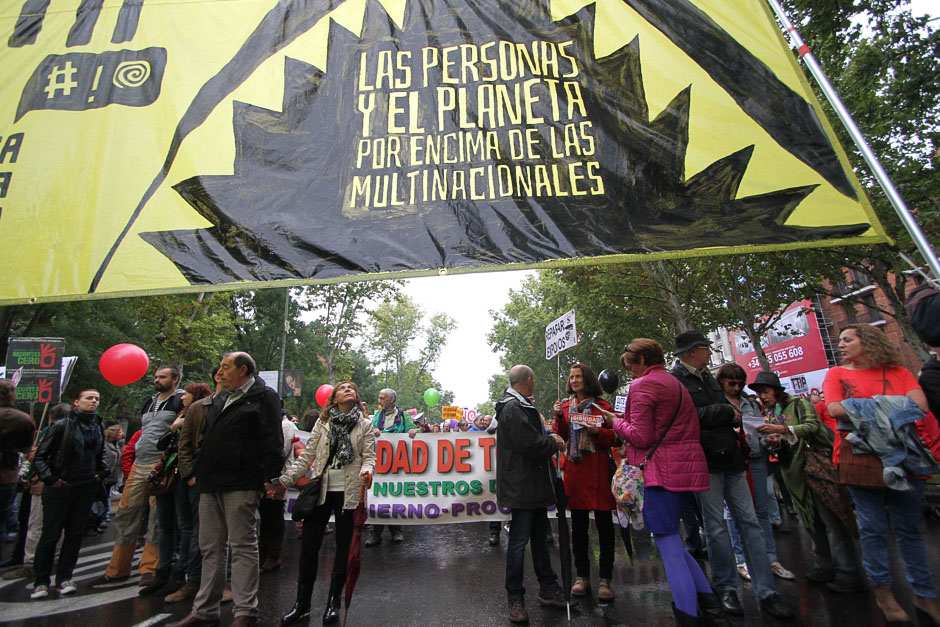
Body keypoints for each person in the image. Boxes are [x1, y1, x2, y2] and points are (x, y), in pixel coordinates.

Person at [669, 330, 792, 620]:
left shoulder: (707, 377)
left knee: (750, 523)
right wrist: (725, 411)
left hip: (732, 459)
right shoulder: (677, 381)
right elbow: (689, 417)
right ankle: (726, 588)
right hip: (706, 461)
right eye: (705, 349)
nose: (710, 354)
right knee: (715, 528)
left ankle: (767, 591)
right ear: (692, 351)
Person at [824, 324, 940, 623]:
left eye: (848, 339)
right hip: (860, 461)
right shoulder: (836, 374)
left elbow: (921, 406)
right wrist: (891, 407)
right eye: (840, 340)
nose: (842, 344)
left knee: (909, 530)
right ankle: (883, 593)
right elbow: (834, 409)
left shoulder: (899, 371)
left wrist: (860, 409)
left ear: (868, 341)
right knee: (872, 529)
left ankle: (924, 594)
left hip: (905, 460)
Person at [604, 339, 723, 625]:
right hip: (683, 469)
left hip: (659, 472)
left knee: (668, 545)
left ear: (643, 360)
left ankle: (688, 615)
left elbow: (642, 437)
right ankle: (711, 605)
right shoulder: (674, 383)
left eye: (631, 365)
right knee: (674, 543)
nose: (630, 371)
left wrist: (615, 422)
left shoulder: (643, 385)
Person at [170, 352, 284, 627]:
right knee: (210, 547)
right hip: (209, 483)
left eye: (225, 367)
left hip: (242, 482)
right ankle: (204, 610)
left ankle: (245, 611)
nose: (219, 373)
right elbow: (206, 438)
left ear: (243, 370)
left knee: (242, 546)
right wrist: (196, 472)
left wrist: (271, 478)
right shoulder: (221, 398)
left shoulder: (263, 396)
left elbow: (272, 440)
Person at [750, 371, 864, 593]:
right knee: (811, 521)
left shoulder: (799, 404)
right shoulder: (773, 413)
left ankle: (849, 573)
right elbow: (782, 441)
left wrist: (783, 430)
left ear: (776, 391)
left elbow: (812, 426)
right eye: (759, 393)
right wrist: (774, 441)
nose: (762, 397)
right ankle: (824, 566)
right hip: (796, 473)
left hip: (818, 470)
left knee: (832, 520)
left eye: (765, 391)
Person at [273, 381, 376, 625]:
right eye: (343, 388)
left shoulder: (365, 424)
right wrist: (284, 481)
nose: (348, 389)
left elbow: (369, 457)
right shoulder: (324, 423)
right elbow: (307, 456)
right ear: (334, 397)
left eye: (352, 387)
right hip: (321, 490)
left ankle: (333, 603)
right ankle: (302, 604)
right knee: (309, 546)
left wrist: (368, 471)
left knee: (343, 547)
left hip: (349, 494)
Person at [91, 366, 184, 591]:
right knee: (126, 514)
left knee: (157, 518)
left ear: (175, 379)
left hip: (160, 465)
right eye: (156, 377)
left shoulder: (180, 400)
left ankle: (150, 568)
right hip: (139, 464)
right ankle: (117, 568)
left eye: (162, 377)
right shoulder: (150, 401)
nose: (157, 380)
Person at [496, 364, 567, 623]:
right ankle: (515, 596)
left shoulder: (519, 405)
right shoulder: (514, 408)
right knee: (518, 542)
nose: (534, 384)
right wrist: (553, 442)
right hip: (522, 486)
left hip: (531, 485)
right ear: (528, 380)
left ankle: (548, 586)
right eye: (534, 380)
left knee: (539, 538)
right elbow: (530, 444)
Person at [715, 363, 793, 582]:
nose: (737, 387)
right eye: (732, 383)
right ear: (722, 382)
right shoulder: (718, 403)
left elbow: (758, 430)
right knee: (734, 512)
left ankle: (770, 558)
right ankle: (741, 559)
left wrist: (770, 442)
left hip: (756, 458)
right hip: (733, 462)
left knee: (762, 510)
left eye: (740, 383)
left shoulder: (750, 404)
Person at [30, 389, 106, 599]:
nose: (93, 402)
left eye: (96, 399)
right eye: (89, 398)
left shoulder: (98, 425)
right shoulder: (61, 426)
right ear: (76, 402)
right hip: (61, 486)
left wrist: (100, 474)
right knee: (50, 534)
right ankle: (41, 581)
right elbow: (40, 457)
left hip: (86, 486)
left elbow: (101, 455)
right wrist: (51, 479)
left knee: (74, 534)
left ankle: (64, 578)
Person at [552, 363, 618, 601]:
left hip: (598, 470)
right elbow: (561, 434)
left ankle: (605, 579)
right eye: (571, 377)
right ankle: (582, 577)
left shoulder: (603, 406)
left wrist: (596, 433)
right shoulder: (567, 406)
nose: (574, 380)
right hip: (576, 471)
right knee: (578, 528)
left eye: (578, 376)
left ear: (587, 379)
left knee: (604, 528)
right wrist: (559, 416)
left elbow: (616, 437)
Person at [169, 368, 223, 604]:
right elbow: (184, 444)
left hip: (212, 480)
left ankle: (196, 580)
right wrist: (189, 475)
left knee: (205, 533)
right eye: (220, 370)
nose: (182, 396)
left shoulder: (238, 404)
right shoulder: (196, 408)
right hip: (188, 477)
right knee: (186, 527)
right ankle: (185, 577)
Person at [3, 403, 70, 582]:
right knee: (55, 525)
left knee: (36, 525)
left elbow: (46, 457)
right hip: (60, 485)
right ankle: (53, 560)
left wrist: (34, 455)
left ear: (52, 418)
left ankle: (31, 564)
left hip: (44, 484)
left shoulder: (54, 431)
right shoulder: (73, 431)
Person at [367, 388, 416, 546]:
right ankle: (376, 534)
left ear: (391, 400)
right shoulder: (377, 415)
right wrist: (373, 431)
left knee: (395, 496)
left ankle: (396, 531)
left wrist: (414, 432)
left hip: (397, 463)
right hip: (379, 464)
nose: (379, 400)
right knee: (378, 497)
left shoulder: (403, 415)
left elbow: (413, 431)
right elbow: (369, 431)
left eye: (382, 398)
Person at [0, 379, 35, 565]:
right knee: (2, 520)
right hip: (8, 476)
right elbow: (27, 449)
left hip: (8, 473)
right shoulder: (23, 419)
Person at [258, 409, 297, 573]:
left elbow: (282, 450)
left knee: (274, 515)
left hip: (278, 475)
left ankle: (273, 555)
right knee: (266, 515)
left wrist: (275, 479)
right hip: (264, 475)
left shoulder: (285, 425)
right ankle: (263, 553)